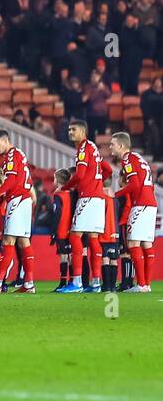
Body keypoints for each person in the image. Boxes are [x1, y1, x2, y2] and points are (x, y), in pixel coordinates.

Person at [0, 130, 34, 293]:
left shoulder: (11, 155)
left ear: (5, 140)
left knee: (8, 241)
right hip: (25, 199)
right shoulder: (18, 153)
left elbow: (11, 180)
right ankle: (29, 283)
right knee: (24, 242)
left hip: (17, 200)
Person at [58, 119, 106, 293]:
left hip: (88, 197)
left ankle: (77, 282)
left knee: (75, 235)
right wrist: (98, 183)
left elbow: (79, 175)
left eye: (74, 130)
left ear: (83, 132)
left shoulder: (83, 149)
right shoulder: (93, 148)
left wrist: (65, 187)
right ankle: (95, 282)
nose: (70, 132)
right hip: (98, 197)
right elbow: (106, 168)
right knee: (93, 238)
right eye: (69, 129)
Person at [109, 131, 154, 293]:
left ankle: (141, 285)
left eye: (112, 144)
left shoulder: (127, 159)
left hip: (140, 203)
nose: (110, 147)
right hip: (150, 203)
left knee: (134, 243)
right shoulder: (138, 158)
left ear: (121, 145)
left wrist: (116, 194)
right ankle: (146, 284)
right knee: (146, 244)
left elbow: (134, 184)